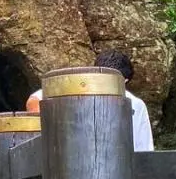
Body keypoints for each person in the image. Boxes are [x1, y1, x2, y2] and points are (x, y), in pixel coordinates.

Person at [25, 49, 154, 151]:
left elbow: (143, 148)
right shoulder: (80, 89)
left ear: (125, 80)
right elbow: (34, 101)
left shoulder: (135, 105)